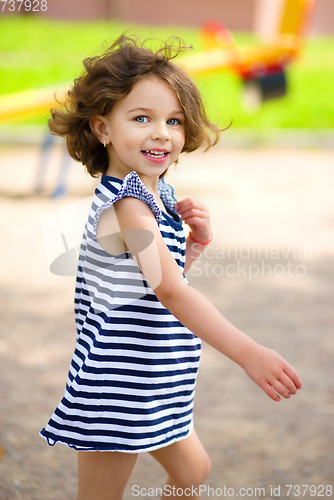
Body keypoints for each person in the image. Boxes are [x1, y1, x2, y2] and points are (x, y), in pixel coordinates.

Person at [40, 35, 302, 500]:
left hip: (156, 379)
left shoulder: (154, 196)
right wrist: (248, 353)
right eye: (142, 118)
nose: (162, 132)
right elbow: (171, 292)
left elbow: (149, 278)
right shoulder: (128, 206)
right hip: (117, 385)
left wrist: (193, 243)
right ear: (102, 129)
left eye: (174, 120)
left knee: (193, 471)